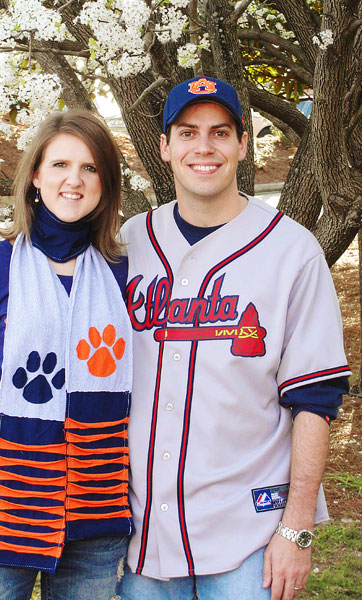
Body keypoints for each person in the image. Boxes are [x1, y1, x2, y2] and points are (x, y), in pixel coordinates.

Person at [117, 76, 350, 600]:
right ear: (164, 146)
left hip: (251, 534)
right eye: (187, 132)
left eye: (220, 133)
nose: (204, 147)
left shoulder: (294, 250)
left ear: (243, 144)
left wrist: (296, 530)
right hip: (139, 534)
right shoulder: (127, 242)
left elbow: (315, 400)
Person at [0, 109, 133, 600]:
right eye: (61, 165)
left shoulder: (123, 273)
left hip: (97, 511)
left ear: (106, 184)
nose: (74, 180)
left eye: (90, 168)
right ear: (35, 178)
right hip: (1, 511)